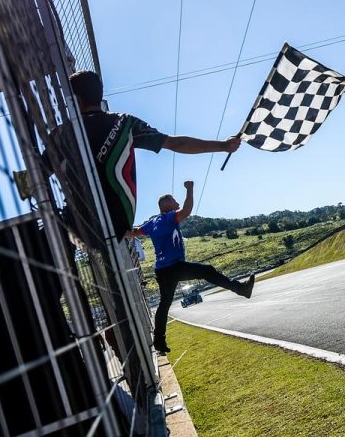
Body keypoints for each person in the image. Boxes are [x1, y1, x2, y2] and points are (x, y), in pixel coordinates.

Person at [67, 70, 241, 241]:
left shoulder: (64, 133)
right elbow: (175, 143)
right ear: (100, 94)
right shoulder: (124, 122)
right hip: (117, 223)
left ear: (75, 99)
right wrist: (224, 146)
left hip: (81, 222)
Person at [129, 181, 255, 353]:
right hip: (174, 267)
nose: (177, 203)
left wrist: (117, 230)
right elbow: (187, 211)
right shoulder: (167, 217)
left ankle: (159, 341)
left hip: (162, 270)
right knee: (207, 271)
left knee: (164, 304)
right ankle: (241, 289)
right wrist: (189, 189)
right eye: (174, 201)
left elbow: (135, 232)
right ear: (166, 204)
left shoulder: (152, 222)